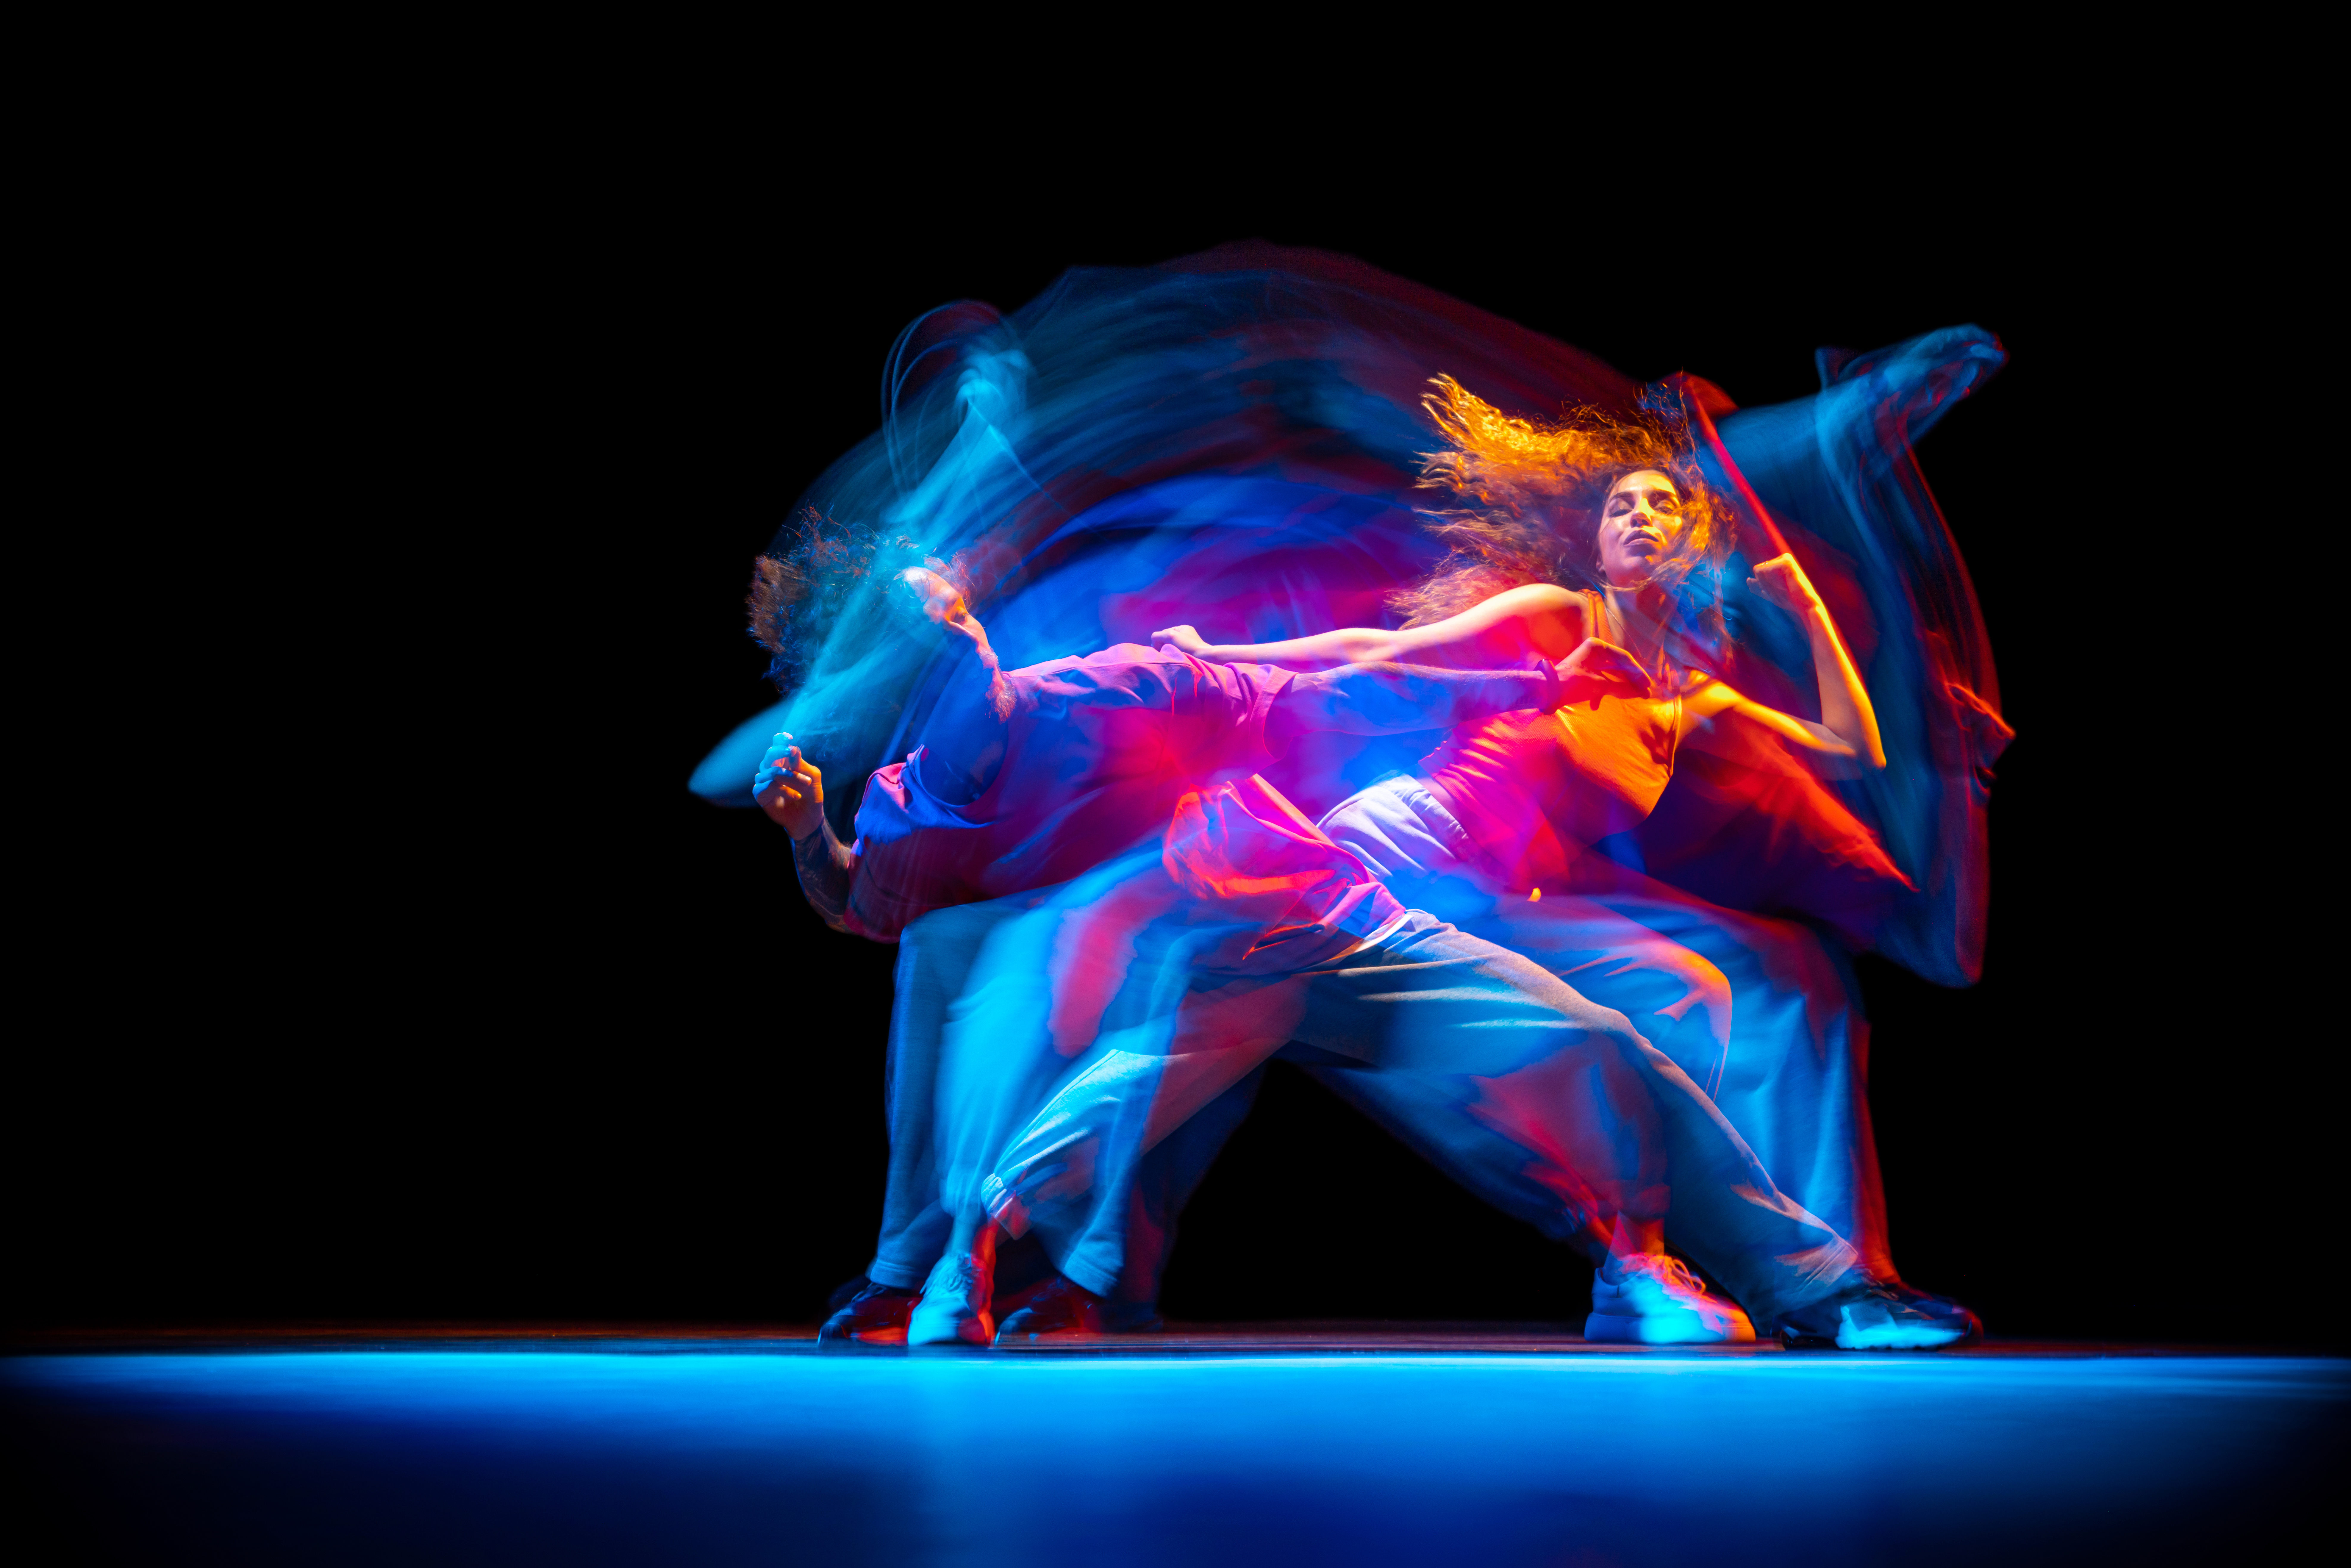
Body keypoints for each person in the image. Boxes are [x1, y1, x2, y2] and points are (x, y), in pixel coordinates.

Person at [756, 558, 1971, 1352]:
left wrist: (1457, 658)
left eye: (958, 627)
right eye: (932, 644)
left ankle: (1782, 1281)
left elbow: (1330, 663)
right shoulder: (912, 801)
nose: (961, 649)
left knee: (1595, 1041)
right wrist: (809, 824)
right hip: (1205, 969)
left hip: (1332, 919)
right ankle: (962, 1259)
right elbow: (859, 904)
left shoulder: (1113, 683)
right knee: (1090, 1070)